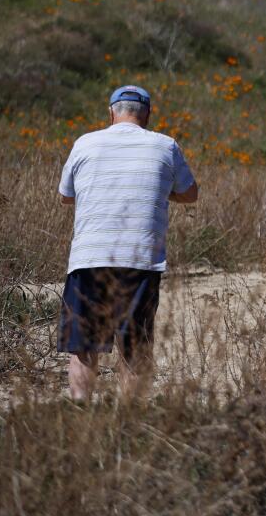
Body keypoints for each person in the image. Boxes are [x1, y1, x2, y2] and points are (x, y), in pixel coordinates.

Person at [57, 84, 198, 400]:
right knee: (135, 346)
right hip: (140, 259)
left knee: (83, 347)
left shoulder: (84, 143)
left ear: (111, 113)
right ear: (147, 114)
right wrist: (162, 191)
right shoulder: (165, 145)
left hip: (89, 257)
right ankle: (132, 420)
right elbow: (191, 194)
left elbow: (66, 196)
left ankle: (80, 410)